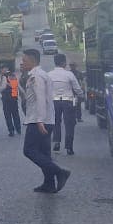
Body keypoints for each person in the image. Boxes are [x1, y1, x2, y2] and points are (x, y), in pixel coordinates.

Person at [19, 48, 70, 194]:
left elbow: (41, 98)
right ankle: (49, 183)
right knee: (44, 152)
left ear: (32, 61)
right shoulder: (40, 74)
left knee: (29, 150)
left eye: (24, 60)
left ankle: (60, 172)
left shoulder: (37, 76)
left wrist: (40, 120)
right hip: (46, 119)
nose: (22, 63)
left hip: (38, 120)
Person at [48, 53, 84, 156]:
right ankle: (69, 148)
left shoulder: (49, 74)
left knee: (56, 122)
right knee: (69, 124)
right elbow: (77, 88)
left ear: (55, 63)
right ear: (64, 63)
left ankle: (57, 143)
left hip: (54, 101)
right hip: (68, 101)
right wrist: (81, 95)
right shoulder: (69, 74)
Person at [0, 68, 22, 137]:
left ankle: (11, 130)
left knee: (8, 115)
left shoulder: (4, 77)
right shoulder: (13, 76)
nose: (1, 71)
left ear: (4, 70)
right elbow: (18, 86)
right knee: (15, 114)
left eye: (2, 70)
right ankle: (18, 129)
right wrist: (24, 94)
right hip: (14, 98)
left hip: (6, 98)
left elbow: (3, 87)